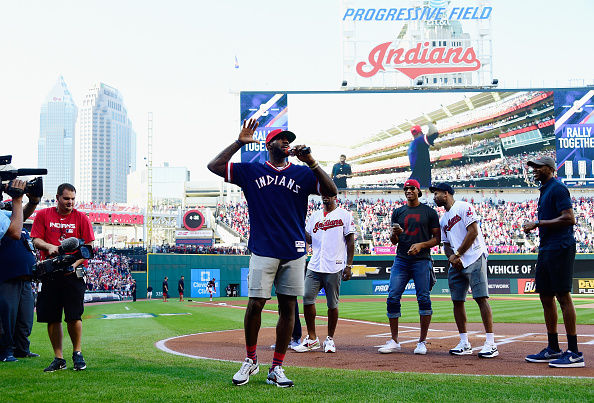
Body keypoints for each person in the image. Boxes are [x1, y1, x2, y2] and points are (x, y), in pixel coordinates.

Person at [207, 118, 337, 387]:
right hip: (263, 247)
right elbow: (214, 166)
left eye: (289, 138)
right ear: (269, 145)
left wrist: (312, 162)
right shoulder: (252, 170)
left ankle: (277, 366)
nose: (286, 141)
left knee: (288, 307)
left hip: (294, 250)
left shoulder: (302, 173)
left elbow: (331, 191)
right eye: (281, 138)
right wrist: (238, 143)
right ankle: (251, 360)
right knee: (256, 303)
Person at [522, 156, 584, 368]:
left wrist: (538, 223)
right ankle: (553, 348)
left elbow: (569, 218)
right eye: (533, 168)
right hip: (547, 247)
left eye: (538, 167)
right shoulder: (545, 189)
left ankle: (574, 352)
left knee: (563, 296)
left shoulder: (558, 188)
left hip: (560, 246)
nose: (534, 171)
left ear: (550, 169)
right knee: (546, 296)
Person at [31, 183, 95, 372]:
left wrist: (73, 264)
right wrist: (49, 247)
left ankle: (77, 353)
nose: (70, 202)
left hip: (74, 274)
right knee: (52, 317)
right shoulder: (43, 215)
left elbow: (89, 247)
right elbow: (35, 239)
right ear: (57, 197)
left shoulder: (81, 218)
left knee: (74, 316)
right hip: (50, 273)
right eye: (66, 198)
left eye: (73, 199)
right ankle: (58, 358)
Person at [431, 182, 498, 359]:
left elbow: (473, 232)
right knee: (457, 301)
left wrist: (458, 253)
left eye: (436, 193)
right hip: (457, 263)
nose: (434, 197)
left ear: (446, 193)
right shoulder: (444, 219)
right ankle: (464, 342)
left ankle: (491, 343)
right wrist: (452, 258)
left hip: (474, 257)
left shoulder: (464, 207)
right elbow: (445, 244)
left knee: (481, 298)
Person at [378, 179, 440, 355]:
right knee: (392, 297)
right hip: (402, 259)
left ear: (418, 191)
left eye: (411, 188)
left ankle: (422, 342)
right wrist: (394, 234)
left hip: (422, 259)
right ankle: (394, 340)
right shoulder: (398, 212)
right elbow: (393, 241)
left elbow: (437, 239)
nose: (408, 191)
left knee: (423, 299)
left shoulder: (429, 212)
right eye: (405, 189)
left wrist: (421, 245)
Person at [294, 195, 355, 353]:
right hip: (315, 265)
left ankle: (330, 339)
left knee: (332, 304)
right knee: (307, 298)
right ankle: (312, 338)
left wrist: (348, 265)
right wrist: (300, 225)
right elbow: (309, 237)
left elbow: (350, 241)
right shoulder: (315, 215)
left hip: (333, 266)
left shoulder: (344, 215)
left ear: (335, 196)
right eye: (323, 195)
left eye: (328, 195)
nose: (325, 198)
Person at [0, 179, 40, 362]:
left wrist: (32, 202)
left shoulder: (6, 215)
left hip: (24, 276)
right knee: (6, 317)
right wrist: (17, 199)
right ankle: (5, 350)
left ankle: (22, 348)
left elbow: (20, 217)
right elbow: (15, 230)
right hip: (7, 275)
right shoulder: (5, 221)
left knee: (25, 318)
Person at [408, 122, 439, 188]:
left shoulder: (412, 145)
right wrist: (429, 123)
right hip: (422, 182)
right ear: (420, 133)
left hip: (414, 181)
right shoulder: (419, 141)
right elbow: (434, 132)